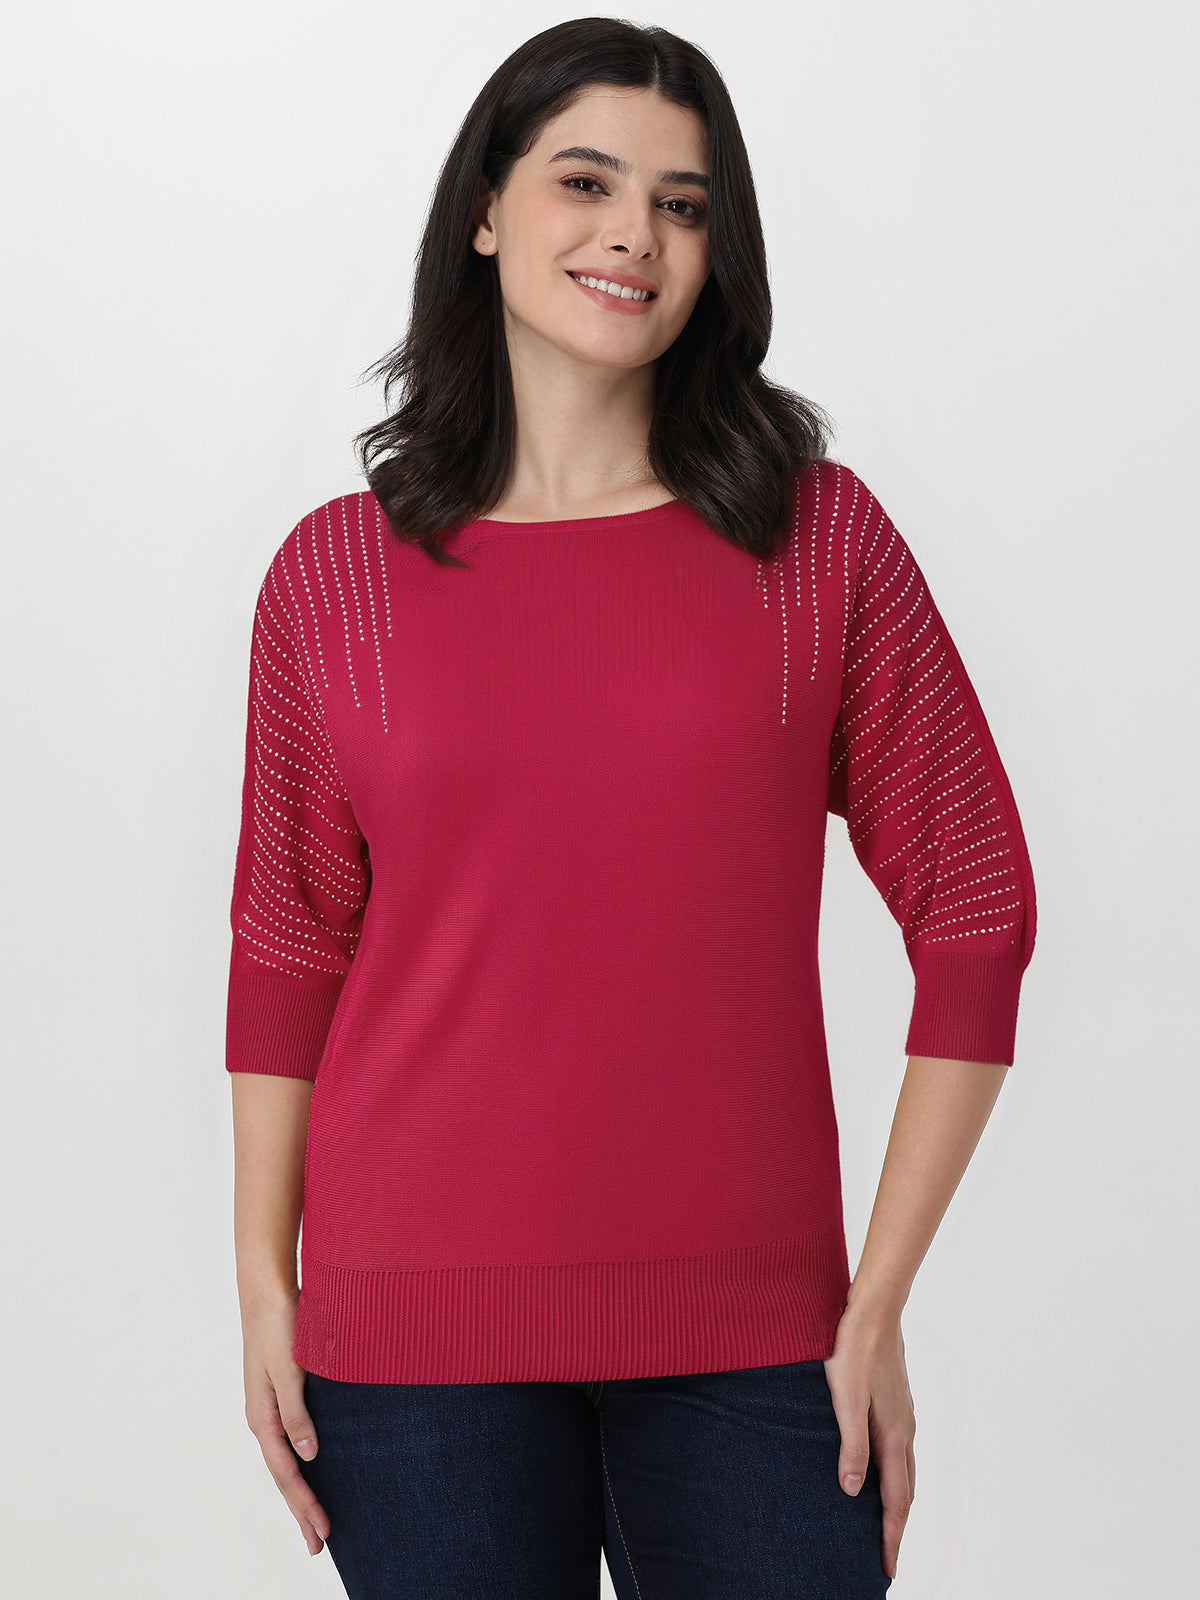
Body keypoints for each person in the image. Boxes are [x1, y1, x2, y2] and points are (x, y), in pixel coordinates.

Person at [226, 18, 1037, 1600]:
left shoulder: (815, 545)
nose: (635, 236)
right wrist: (264, 1286)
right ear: (485, 208)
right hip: (412, 1350)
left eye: (683, 203)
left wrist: (875, 1302)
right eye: (585, 182)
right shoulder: (336, 578)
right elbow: (287, 942)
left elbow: (979, 906)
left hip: (758, 1339)